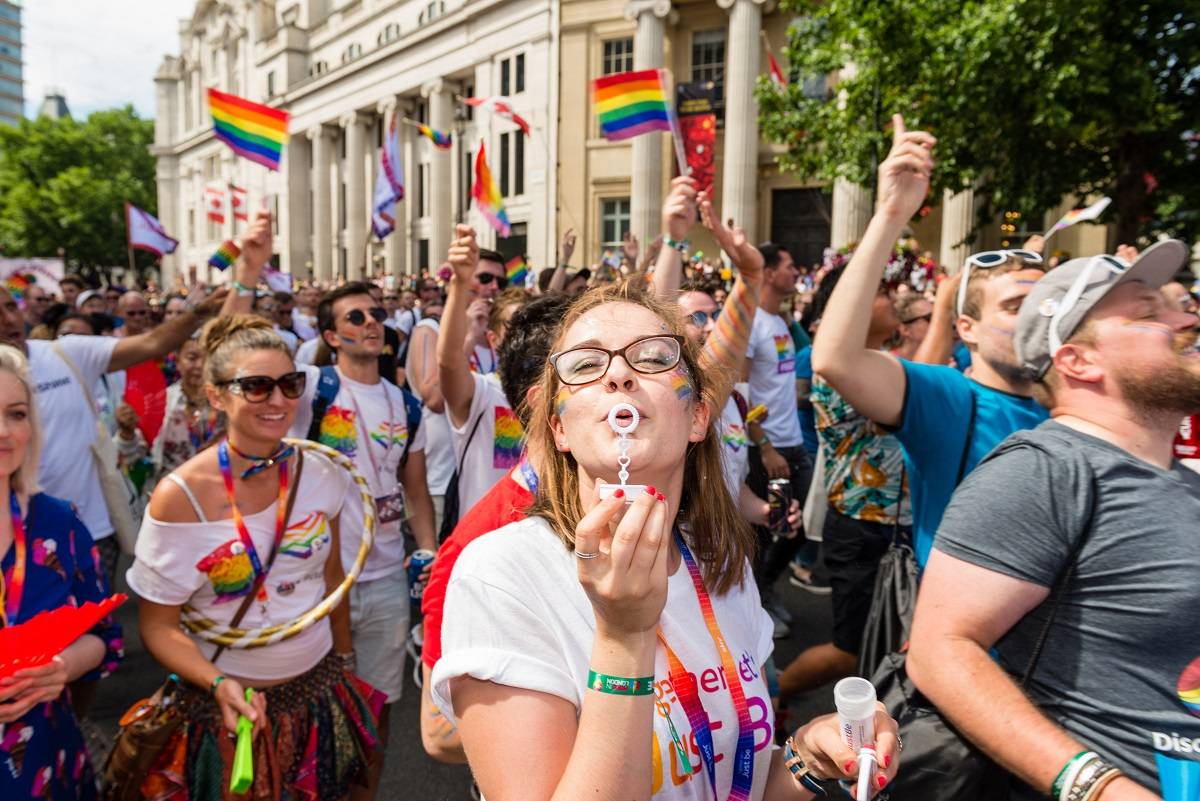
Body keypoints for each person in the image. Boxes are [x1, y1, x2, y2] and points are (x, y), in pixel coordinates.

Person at [431, 281, 900, 801]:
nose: (618, 373)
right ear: (559, 428)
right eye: (586, 366)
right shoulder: (502, 573)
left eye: (654, 358)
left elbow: (727, 780)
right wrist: (623, 636)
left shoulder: (721, 561)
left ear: (698, 415)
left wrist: (804, 758)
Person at [907, 240, 1199, 800]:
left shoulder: (1184, 479)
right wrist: (1100, 788)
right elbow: (940, 650)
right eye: (1147, 313)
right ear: (1078, 361)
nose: (1185, 319)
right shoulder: (1046, 471)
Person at [128, 315, 383, 799]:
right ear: (217, 395)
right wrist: (217, 682)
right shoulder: (180, 496)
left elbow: (331, 583)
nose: (279, 401)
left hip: (316, 695)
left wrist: (345, 661)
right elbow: (158, 626)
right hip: (222, 708)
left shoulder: (323, 473)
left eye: (290, 384)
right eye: (257, 387)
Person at [811, 115, 1048, 568]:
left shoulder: (1078, 402)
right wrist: (891, 214)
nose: (1034, 320)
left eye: (1045, 305)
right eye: (1015, 307)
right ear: (968, 329)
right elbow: (835, 357)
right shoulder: (952, 397)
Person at [291, 282, 436, 801]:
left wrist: (428, 549)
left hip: (386, 583)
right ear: (331, 335)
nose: (371, 322)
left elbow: (415, 488)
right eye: (355, 317)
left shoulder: (406, 404)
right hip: (315, 582)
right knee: (309, 702)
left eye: (376, 313)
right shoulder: (311, 386)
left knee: (376, 706)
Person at [419, 292, 573, 763]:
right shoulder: (476, 547)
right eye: (597, 370)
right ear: (549, 402)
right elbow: (440, 733)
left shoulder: (653, 502)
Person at [0, 278, 228, 583]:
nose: (8, 319)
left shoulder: (66, 353)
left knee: (94, 622)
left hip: (90, 528)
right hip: (12, 536)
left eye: (11, 306)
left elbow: (153, 343)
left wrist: (198, 314)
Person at [778, 265, 909, 697]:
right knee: (849, 652)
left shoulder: (888, 361)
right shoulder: (836, 367)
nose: (893, 299)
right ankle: (771, 699)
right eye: (880, 291)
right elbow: (909, 402)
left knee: (891, 647)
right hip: (861, 526)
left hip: (893, 524)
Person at [0, 345, 123, 801]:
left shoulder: (59, 523)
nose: (4, 432)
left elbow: (103, 637)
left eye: (16, 414)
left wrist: (62, 667)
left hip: (46, 758)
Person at [743, 240, 813, 635]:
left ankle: (765, 587)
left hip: (793, 442)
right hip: (766, 449)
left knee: (797, 527)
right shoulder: (752, 324)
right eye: (788, 265)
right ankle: (757, 605)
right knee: (766, 530)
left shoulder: (780, 322)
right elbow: (743, 390)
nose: (795, 272)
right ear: (769, 273)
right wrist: (764, 445)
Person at [437, 230, 529, 517]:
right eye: (514, 328)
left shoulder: (557, 397)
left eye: (532, 327)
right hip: (481, 542)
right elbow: (449, 363)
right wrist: (460, 283)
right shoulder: (482, 392)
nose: (526, 337)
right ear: (493, 338)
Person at [115, 334, 222, 487]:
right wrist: (127, 433)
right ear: (178, 362)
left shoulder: (229, 403)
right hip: (169, 494)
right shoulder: (159, 402)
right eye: (192, 358)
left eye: (208, 359)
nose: (200, 365)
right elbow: (130, 456)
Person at [891, 292, 933, 361]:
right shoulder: (889, 363)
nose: (936, 323)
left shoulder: (941, 357)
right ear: (905, 329)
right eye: (930, 318)